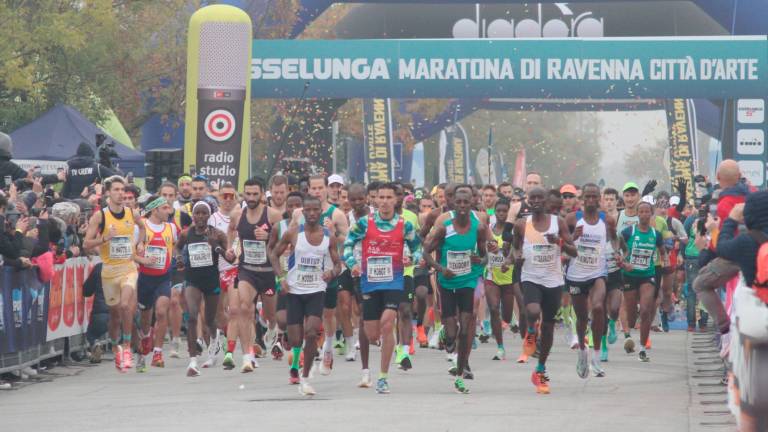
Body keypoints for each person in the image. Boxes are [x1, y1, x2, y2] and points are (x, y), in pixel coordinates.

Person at [343, 182, 420, 394]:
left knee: (388, 324)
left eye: (389, 198)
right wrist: (353, 264)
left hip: (394, 281)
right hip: (369, 282)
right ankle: (384, 347)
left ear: (396, 201)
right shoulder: (364, 224)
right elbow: (347, 245)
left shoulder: (405, 225)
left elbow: (418, 248)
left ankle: (383, 377)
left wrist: (411, 258)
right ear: (374, 200)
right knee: (371, 334)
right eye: (381, 198)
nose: (385, 202)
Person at [270, 195, 342, 395]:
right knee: (295, 340)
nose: (311, 214)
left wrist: (331, 273)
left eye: (315, 210)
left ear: (321, 212)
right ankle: (295, 354)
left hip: (316, 290)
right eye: (307, 210)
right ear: (303, 213)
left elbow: (338, 264)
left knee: (311, 332)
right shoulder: (293, 233)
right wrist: (280, 278)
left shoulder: (329, 236)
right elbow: (274, 254)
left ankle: (306, 376)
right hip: (293, 291)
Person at [511, 186, 577, 394]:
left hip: (554, 280)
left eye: (541, 198)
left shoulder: (559, 223)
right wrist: (516, 256)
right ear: (528, 201)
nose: (537, 201)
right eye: (533, 198)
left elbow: (573, 250)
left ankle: (540, 370)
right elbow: (514, 248)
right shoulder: (522, 224)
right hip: (531, 277)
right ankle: (531, 331)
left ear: (547, 201)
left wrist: (557, 241)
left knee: (548, 328)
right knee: (531, 311)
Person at [423, 187, 488, 394]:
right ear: (453, 204)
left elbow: (485, 255)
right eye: (458, 203)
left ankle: (460, 375)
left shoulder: (478, 227)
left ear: (472, 203)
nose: (461, 206)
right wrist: (441, 268)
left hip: (468, 280)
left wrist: (481, 259)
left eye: (465, 203)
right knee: (452, 330)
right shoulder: (444, 226)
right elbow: (426, 253)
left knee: (466, 327)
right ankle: (446, 335)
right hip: (447, 282)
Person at [715, 192, 768, 431]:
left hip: (754, 323)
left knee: (749, 402)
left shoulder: (747, 242)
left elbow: (722, 247)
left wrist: (730, 221)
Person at [83, 175, 145, 373]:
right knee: (115, 315)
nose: (120, 194)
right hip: (109, 271)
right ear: (108, 192)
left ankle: (127, 348)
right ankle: (116, 345)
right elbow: (86, 244)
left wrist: (140, 243)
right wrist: (104, 238)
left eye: (122, 190)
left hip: (128, 268)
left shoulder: (131, 213)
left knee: (127, 306)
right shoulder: (100, 216)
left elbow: (143, 228)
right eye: (116, 190)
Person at [225, 177, 282, 372]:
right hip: (246, 269)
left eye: (255, 194)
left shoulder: (273, 215)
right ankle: (247, 356)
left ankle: (272, 328)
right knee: (244, 307)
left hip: (267, 271)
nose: (250, 198)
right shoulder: (237, 215)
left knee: (270, 314)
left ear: (262, 194)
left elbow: (284, 242)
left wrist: (269, 237)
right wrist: (230, 249)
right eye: (247, 194)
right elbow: (231, 231)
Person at [693, 160, 749, 357]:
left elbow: (722, 243)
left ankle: (724, 328)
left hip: (734, 257)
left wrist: (709, 236)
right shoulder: (752, 193)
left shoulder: (722, 204)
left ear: (718, 179)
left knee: (700, 283)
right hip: (756, 254)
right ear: (740, 175)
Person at [177, 201, 234, 377]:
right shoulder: (186, 234)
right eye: (197, 213)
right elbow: (178, 246)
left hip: (211, 281)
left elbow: (230, 258)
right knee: (192, 316)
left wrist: (215, 246)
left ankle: (215, 342)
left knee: (210, 320)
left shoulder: (218, 234)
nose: (200, 217)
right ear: (193, 216)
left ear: (209, 215)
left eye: (204, 213)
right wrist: (179, 258)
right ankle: (193, 361)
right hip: (192, 280)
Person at [565, 183, 612, 378]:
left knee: (599, 307)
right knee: (582, 317)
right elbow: (563, 243)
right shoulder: (571, 218)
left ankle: (596, 355)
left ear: (599, 198)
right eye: (588, 197)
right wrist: (571, 237)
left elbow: (615, 240)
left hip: (597, 272)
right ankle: (583, 352)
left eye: (595, 197)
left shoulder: (607, 220)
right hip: (576, 274)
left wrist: (619, 254)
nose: (591, 200)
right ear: (582, 199)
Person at [134, 197, 177, 372]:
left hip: (163, 277)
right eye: (165, 208)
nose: (169, 211)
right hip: (145, 278)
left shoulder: (171, 228)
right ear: (154, 210)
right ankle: (144, 344)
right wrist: (144, 259)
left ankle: (158, 353)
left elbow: (173, 246)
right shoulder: (141, 227)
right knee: (145, 319)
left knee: (161, 312)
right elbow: (132, 254)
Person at [620, 201, 666, 362]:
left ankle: (642, 349)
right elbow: (617, 247)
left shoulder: (656, 234)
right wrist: (623, 262)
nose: (645, 214)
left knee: (646, 310)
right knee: (632, 318)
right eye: (642, 212)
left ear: (651, 213)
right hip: (629, 275)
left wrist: (665, 260)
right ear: (637, 214)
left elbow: (662, 251)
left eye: (647, 212)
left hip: (648, 275)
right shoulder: (628, 232)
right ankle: (629, 330)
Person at [485, 198, 526, 362]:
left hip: (509, 279)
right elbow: (482, 253)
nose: (501, 214)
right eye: (499, 211)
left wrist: (508, 255)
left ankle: (524, 342)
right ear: (495, 212)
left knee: (507, 317)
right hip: (491, 276)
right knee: (494, 308)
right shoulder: (488, 230)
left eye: (504, 211)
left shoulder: (514, 231)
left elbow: (518, 252)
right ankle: (500, 348)